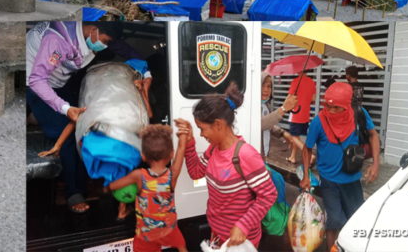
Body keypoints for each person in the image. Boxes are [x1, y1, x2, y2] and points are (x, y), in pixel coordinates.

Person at [26, 21, 152, 214]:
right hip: (37, 85)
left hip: (60, 82)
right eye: (104, 41)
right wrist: (65, 108)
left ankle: (82, 176)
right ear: (93, 31)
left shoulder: (98, 37)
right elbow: (37, 80)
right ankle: (73, 193)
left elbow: (130, 53)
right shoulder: (57, 40)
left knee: (77, 127)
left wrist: (146, 74)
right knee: (66, 135)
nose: (104, 45)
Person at [176, 83, 276, 248]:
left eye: (202, 129)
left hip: (241, 241)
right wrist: (189, 142)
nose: (201, 134)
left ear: (218, 125)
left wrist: (244, 224)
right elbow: (195, 172)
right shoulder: (214, 149)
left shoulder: (246, 155)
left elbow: (268, 195)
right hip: (217, 233)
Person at [300, 82, 380, 252]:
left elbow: (373, 135)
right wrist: (306, 175)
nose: (331, 111)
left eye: (336, 108)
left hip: (352, 180)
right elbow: (307, 148)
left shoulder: (359, 113)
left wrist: (376, 164)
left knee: (356, 221)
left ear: (347, 106)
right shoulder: (318, 122)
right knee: (334, 222)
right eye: (328, 106)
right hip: (329, 181)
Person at [108, 125, 188, 252]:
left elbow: (113, 186)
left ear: (143, 156)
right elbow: (181, 148)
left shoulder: (139, 176)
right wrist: (183, 136)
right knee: (181, 246)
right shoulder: (171, 176)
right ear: (171, 154)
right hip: (168, 230)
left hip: (146, 234)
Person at [260, 72, 299, 159]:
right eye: (262, 86)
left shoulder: (266, 105)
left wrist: (282, 133)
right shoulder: (253, 105)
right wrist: (284, 109)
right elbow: (261, 124)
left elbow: (268, 124)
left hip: (264, 154)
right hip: (255, 157)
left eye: (269, 86)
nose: (266, 90)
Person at [287, 70, 317, 164]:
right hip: (305, 114)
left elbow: (289, 98)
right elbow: (313, 99)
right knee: (297, 136)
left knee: (293, 138)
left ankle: (309, 155)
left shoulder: (295, 82)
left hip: (296, 113)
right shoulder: (312, 82)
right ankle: (293, 157)